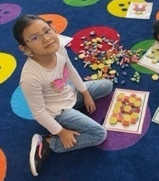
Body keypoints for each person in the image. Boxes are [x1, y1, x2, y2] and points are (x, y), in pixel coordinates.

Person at [13, 15, 113, 176]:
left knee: (107, 86)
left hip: (69, 93)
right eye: (35, 38)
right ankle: (48, 142)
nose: (46, 39)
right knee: (99, 135)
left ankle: (76, 107)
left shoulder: (58, 48)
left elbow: (71, 70)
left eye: (47, 31)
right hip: (57, 112)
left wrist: (85, 93)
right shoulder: (30, 78)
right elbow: (39, 113)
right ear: (25, 48)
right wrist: (61, 132)